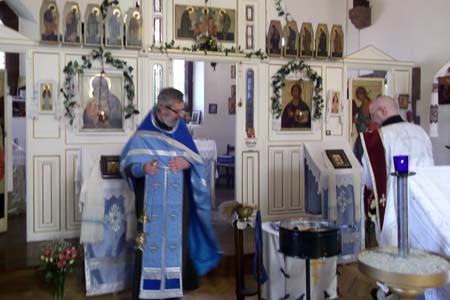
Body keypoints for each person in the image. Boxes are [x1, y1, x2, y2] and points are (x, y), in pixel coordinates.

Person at [120, 88, 222, 299]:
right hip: (149, 206)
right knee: (146, 244)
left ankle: (173, 291)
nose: (182, 116)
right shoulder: (144, 134)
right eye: (177, 111)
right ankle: (145, 292)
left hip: (178, 205)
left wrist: (188, 162)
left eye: (182, 111)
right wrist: (143, 168)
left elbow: (197, 163)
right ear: (162, 109)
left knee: (177, 243)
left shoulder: (181, 129)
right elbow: (128, 166)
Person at [361, 95, 434, 300]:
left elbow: (368, 179)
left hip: (394, 204)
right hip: (422, 204)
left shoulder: (379, 138)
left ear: (383, 111)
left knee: (393, 249)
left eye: (373, 115)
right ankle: (420, 289)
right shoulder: (420, 132)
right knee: (420, 250)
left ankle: (392, 292)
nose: (373, 121)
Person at [352, 86, 373, 161]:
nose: (357, 97)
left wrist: (359, 121)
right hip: (361, 132)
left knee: (363, 153)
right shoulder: (363, 104)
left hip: (365, 132)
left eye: (358, 95)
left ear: (362, 94)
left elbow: (369, 120)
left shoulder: (368, 104)